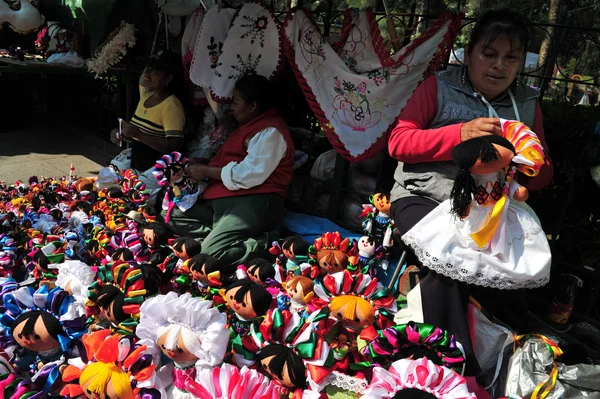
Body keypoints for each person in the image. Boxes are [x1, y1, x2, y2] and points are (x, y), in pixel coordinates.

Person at [388, 9, 553, 376]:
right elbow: (398, 142)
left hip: (492, 209)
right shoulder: (439, 86)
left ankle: (501, 357)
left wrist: (526, 173)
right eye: (488, 53)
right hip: (425, 196)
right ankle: (451, 364)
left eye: (511, 57)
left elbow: (540, 170)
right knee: (454, 261)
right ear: (470, 52)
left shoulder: (526, 103)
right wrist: (458, 134)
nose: (499, 66)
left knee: (513, 273)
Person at [161, 74, 294, 269]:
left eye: (235, 101)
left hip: (254, 201)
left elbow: (249, 174)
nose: (231, 107)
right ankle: (221, 235)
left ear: (252, 106)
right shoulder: (247, 126)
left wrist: (207, 171)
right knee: (171, 213)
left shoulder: (271, 132)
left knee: (208, 256)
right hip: (224, 198)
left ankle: (265, 242)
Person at [110, 50, 186, 197]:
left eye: (155, 71)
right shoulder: (146, 96)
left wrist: (139, 134)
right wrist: (121, 134)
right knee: (104, 181)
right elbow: (136, 135)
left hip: (157, 167)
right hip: (136, 161)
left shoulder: (171, 106)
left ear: (168, 78)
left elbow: (173, 147)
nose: (148, 74)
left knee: (131, 196)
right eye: (148, 68)